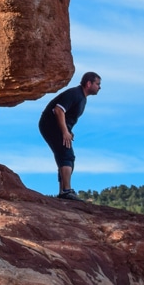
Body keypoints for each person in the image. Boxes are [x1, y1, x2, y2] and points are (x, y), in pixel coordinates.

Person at [38, 72, 101, 200]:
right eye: (97, 84)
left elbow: (67, 116)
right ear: (89, 83)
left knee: (65, 156)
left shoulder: (82, 98)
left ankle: (63, 191)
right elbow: (58, 110)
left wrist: (68, 131)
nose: (99, 87)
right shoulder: (75, 94)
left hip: (54, 126)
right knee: (67, 155)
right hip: (51, 124)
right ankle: (66, 191)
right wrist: (64, 131)